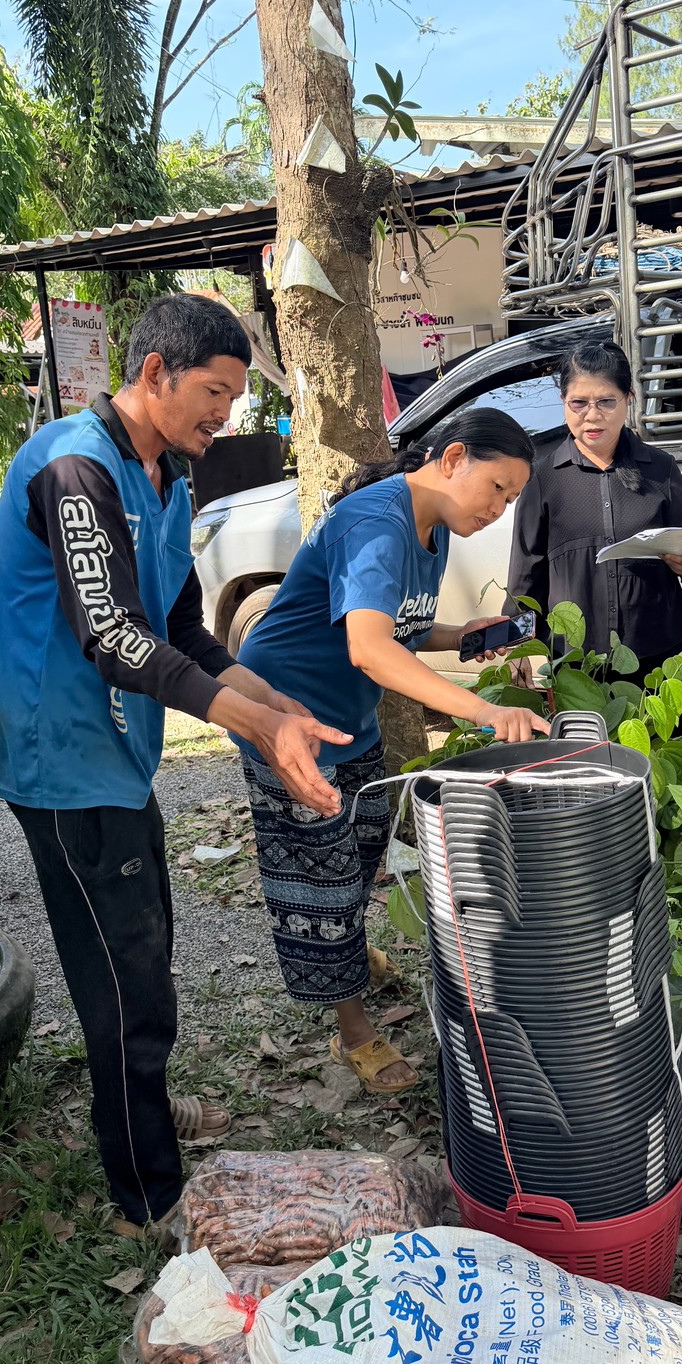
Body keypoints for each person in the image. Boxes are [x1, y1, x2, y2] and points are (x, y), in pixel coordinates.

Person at [0, 294, 348, 1237]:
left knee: (149, 944)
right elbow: (111, 638)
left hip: (117, 753)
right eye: (214, 392)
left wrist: (270, 702)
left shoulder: (167, 476)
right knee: (122, 976)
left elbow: (179, 626)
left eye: (233, 396)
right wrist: (256, 731)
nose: (226, 415)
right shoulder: (74, 468)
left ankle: (145, 1119)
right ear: (153, 374)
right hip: (59, 756)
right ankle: (148, 1194)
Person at [235, 407, 549, 1096]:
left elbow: (395, 625)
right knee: (322, 872)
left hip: (350, 718)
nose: (500, 509)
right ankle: (353, 1030)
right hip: (286, 712)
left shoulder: (430, 527)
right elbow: (367, 647)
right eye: (497, 488)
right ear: (454, 457)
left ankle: (348, 946)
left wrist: (467, 632)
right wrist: (487, 710)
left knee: (366, 845)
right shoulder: (378, 521)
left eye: (511, 498)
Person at [507, 338, 682, 683]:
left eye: (606, 402)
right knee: (587, 740)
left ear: (628, 400)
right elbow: (526, 573)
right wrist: (518, 644)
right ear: (563, 402)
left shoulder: (660, 468)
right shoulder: (542, 478)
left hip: (658, 652)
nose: (592, 415)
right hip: (576, 660)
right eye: (578, 403)